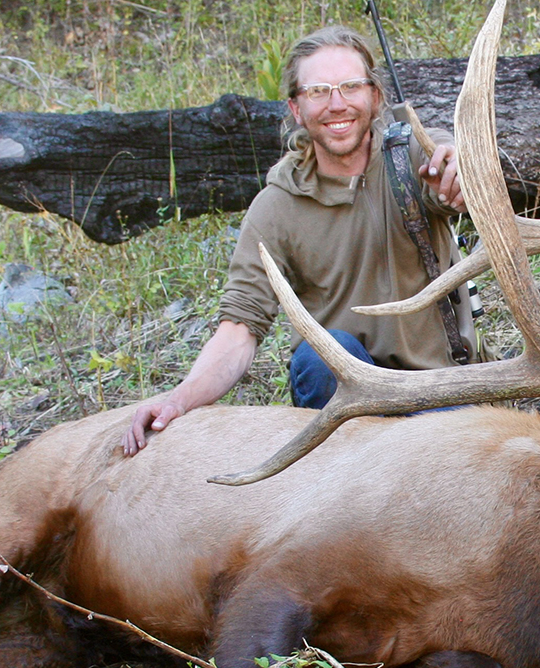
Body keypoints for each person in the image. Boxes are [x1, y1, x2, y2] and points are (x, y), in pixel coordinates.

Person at [124, 25, 469, 455]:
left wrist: (459, 168)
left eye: (350, 86)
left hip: (435, 393)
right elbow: (238, 330)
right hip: (348, 400)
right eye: (318, 91)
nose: (336, 103)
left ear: (375, 97)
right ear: (296, 107)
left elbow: (445, 161)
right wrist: (176, 400)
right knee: (323, 353)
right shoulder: (276, 207)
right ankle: (334, 482)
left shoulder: (410, 161)